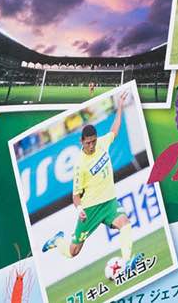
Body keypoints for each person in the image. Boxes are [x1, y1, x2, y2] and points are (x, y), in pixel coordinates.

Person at [36, 115, 135, 271]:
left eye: (93, 141)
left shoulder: (102, 143)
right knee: (73, 251)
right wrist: (80, 210)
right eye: (88, 142)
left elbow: (114, 131)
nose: (91, 145)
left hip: (109, 202)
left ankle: (127, 263)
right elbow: (75, 196)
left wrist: (120, 107)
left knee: (125, 224)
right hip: (90, 210)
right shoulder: (80, 165)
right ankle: (58, 241)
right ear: (81, 141)